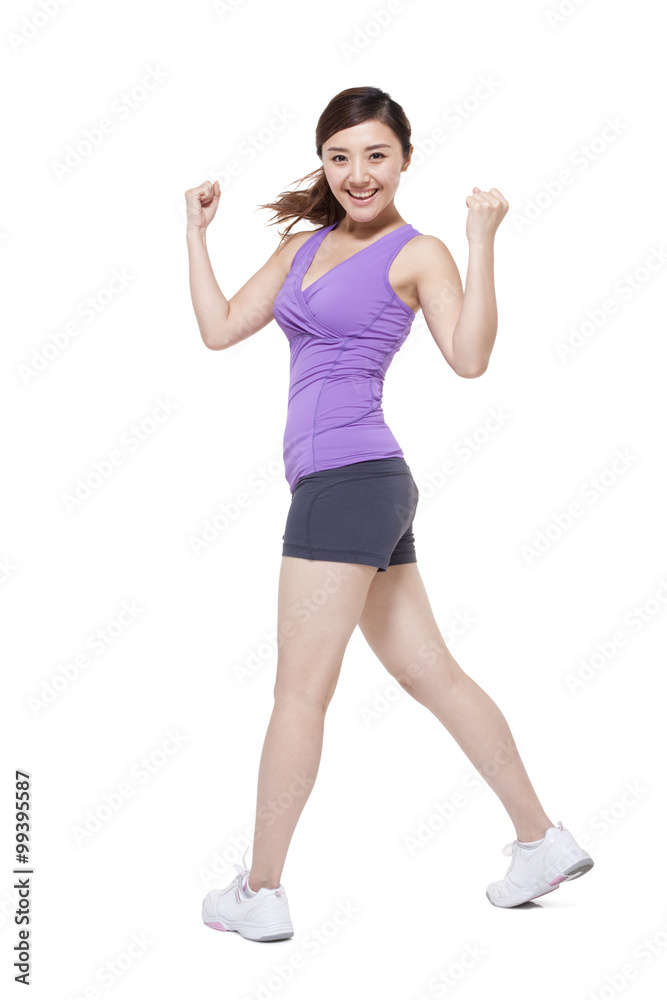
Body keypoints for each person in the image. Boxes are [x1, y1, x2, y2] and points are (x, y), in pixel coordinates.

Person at [185, 86, 594, 942]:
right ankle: (541, 840)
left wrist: (482, 243)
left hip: (350, 480)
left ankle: (260, 892)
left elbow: (470, 358)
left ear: (404, 157)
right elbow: (222, 328)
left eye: (375, 154)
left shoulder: (419, 253)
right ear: (323, 163)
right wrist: (195, 235)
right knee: (428, 672)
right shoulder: (302, 247)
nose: (357, 173)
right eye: (339, 157)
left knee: (298, 692)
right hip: (351, 486)